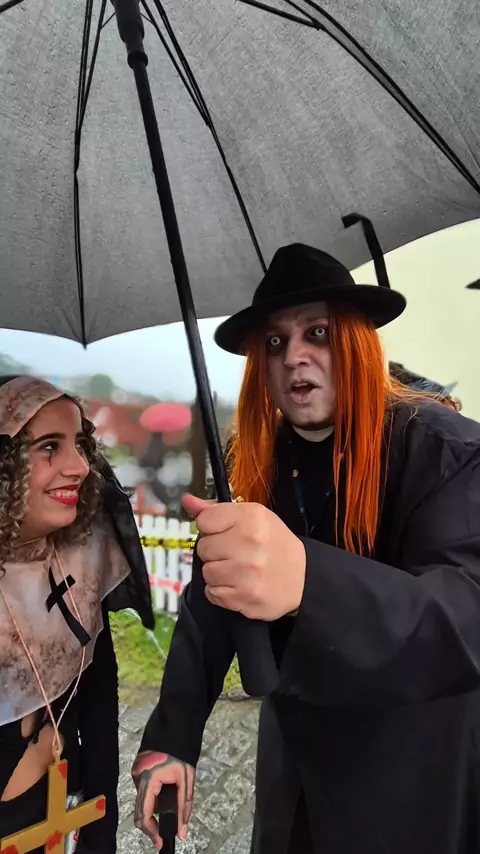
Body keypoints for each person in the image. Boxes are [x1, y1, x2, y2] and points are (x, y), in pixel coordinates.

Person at [132, 244, 480, 854]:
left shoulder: (445, 451)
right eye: (274, 342)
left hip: (410, 778)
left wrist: (310, 582)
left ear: (358, 342)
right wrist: (173, 736)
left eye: (318, 333)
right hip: (294, 780)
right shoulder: (258, 462)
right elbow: (214, 596)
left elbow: (463, 615)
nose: (294, 355)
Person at [0, 375, 154, 854]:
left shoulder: (80, 561)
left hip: (66, 797)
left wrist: (100, 835)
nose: (80, 467)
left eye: (80, 445)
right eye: (49, 447)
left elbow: (100, 701)